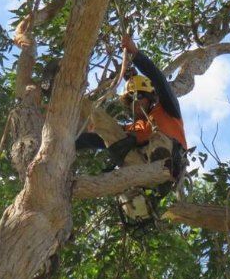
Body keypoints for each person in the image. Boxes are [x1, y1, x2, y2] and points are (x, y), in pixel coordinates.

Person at [76, 35, 187, 181]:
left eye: (139, 98)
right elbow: (98, 140)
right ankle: (137, 198)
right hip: (145, 171)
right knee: (119, 142)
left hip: (172, 162)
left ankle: (162, 163)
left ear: (150, 97)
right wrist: (72, 141)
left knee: (157, 137)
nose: (135, 103)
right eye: (130, 101)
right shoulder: (133, 129)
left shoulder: (167, 110)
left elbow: (159, 80)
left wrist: (135, 54)